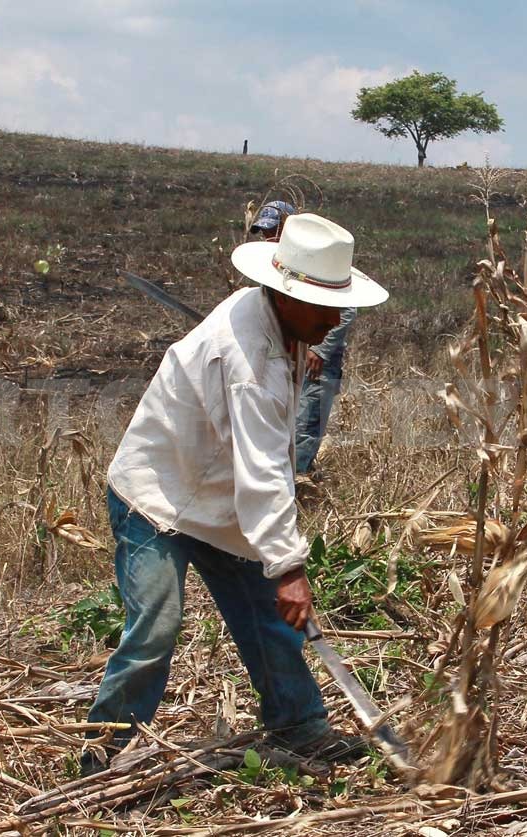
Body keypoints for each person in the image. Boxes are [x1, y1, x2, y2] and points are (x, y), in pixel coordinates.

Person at [81, 213, 389, 776]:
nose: (334, 318)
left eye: (337, 306)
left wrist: (303, 348)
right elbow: (265, 470)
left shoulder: (274, 321)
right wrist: (290, 566)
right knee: (156, 623)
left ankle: (298, 726)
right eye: (323, 308)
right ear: (283, 295)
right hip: (159, 495)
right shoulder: (255, 364)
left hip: (219, 499)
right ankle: (106, 750)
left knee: (266, 615)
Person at [250, 202, 357, 474]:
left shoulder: (318, 267)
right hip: (286, 358)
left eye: (274, 231)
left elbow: (344, 310)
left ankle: (295, 481)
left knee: (307, 424)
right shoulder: (274, 267)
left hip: (318, 362)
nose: (268, 238)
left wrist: (320, 350)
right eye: (265, 233)